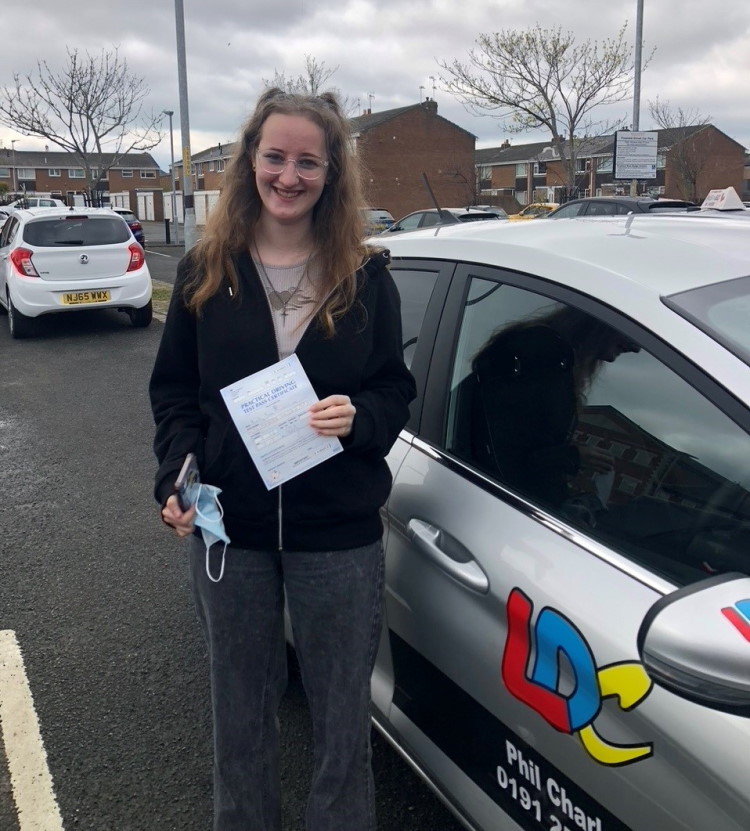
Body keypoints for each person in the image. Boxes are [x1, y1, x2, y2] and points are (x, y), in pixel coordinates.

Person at [149, 87, 416, 831]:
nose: (289, 175)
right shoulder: (209, 270)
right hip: (230, 530)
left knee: (340, 723)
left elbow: (396, 387)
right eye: (275, 156)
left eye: (308, 161)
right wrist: (177, 476)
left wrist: (362, 419)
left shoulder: (365, 275)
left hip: (339, 534)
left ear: (331, 173)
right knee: (239, 715)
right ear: (250, 161)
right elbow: (176, 395)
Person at [469, 305, 639, 512]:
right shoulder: (539, 351)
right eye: (635, 329)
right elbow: (501, 452)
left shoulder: (556, 358)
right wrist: (572, 457)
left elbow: (528, 438)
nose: (636, 348)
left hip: (505, 505)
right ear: (605, 320)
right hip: (488, 505)